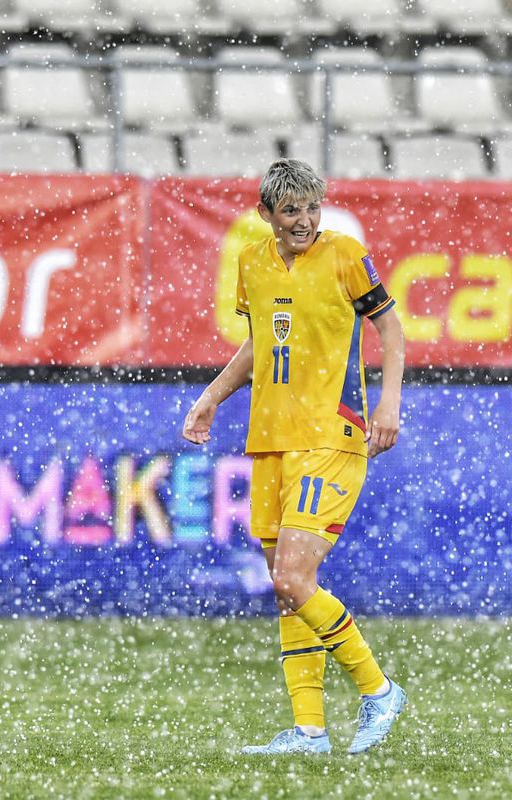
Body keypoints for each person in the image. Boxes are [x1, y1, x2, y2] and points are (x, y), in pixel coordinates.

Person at [182, 158, 407, 755]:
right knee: (286, 590)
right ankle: (309, 730)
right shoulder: (253, 263)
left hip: (331, 432)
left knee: (292, 576)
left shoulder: (344, 254)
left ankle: (378, 690)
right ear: (267, 216)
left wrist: (388, 404)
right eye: (292, 211)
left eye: (312, 208)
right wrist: (210, 398)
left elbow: (391, 329)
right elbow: (260, 344)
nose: (305, 221)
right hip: (271, 437)